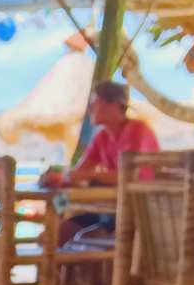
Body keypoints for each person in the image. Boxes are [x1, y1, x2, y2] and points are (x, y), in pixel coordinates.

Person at [43, 80, 159, 243]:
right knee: (53, 234)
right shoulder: (102, 137)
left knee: (82, 238)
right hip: (108, 208)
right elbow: (79, 173)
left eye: (94, 104)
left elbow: (128, 176)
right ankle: (55, 267)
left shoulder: (137, 130)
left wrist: (76, 176)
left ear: (113, 105)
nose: (90, 109)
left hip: (137, 213)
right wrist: (60, 179)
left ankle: (78, 264)